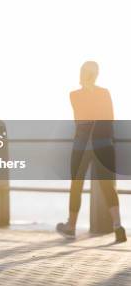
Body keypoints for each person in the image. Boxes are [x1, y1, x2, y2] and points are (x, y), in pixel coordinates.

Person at [56, 61, 126, 243]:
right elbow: (109, 118)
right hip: (104, 145)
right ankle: (118, 227)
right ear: (96, 75)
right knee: (108, 187)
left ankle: (70, 227)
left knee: (76, 186)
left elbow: (82, 119)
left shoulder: (74, 95)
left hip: (82, 147)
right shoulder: (104, 93)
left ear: (81, 74)